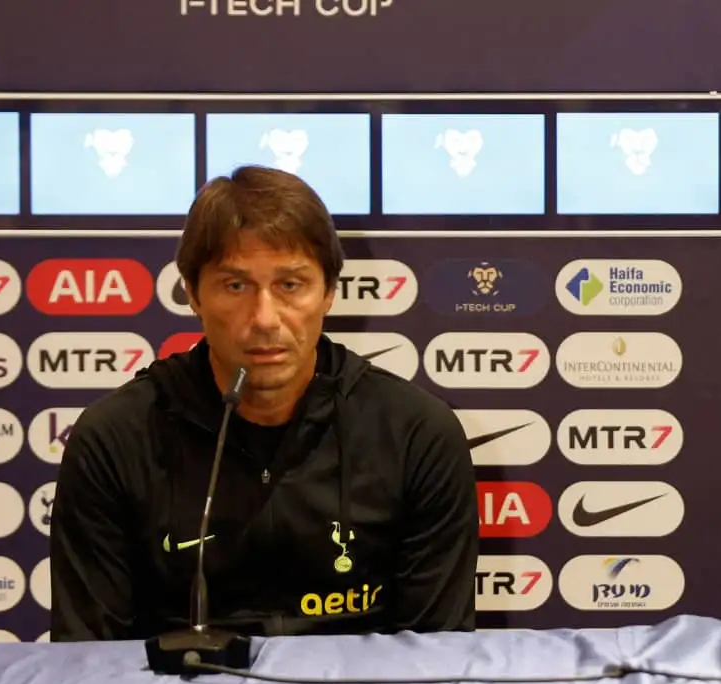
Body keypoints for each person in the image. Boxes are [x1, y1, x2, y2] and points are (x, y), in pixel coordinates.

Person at [50, 165, 480, 641]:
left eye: (290, 285)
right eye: (235, 286)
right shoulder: (116, 438)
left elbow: (436, 659)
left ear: (330, 293)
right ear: (192, 293)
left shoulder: (415, 434)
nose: (265, 318)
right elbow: (86, 664)